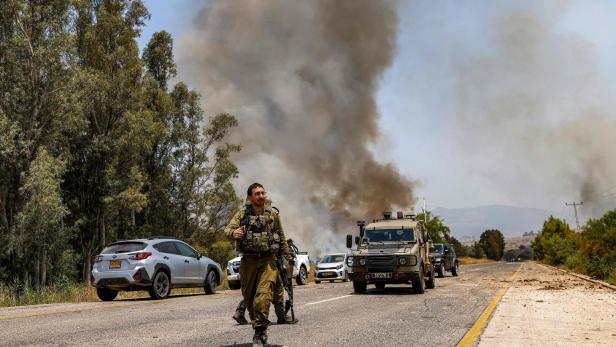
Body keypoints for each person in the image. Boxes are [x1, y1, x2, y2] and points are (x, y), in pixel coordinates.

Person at [225, 183, 293, 345]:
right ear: (250, 197)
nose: (261, 196)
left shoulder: (272, 214)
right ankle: (258, 325)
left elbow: (281, 237)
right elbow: (227, 230)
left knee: (262, 297)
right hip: (248, 262)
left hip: (267, 261)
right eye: (257, 193)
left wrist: (288, 257)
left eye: (263, 193)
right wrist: (234, 233)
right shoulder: (242, 214)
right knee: (249, 299)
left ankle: (260, 332)